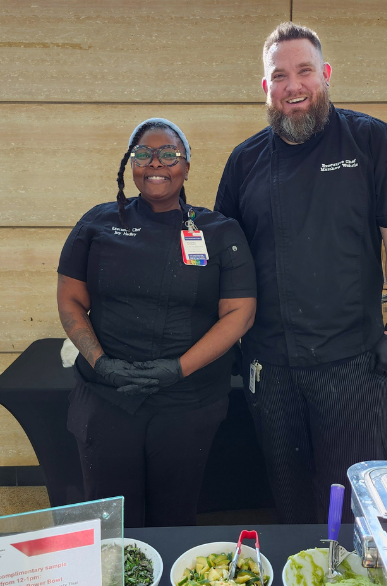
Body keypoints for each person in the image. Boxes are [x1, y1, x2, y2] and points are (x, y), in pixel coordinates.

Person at [215, 22, 387, 523]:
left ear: (325, 75)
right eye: (279, 75)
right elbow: (227, 261)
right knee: (287, 494)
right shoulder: (244, 161)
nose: (293, 85)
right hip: (270, 363)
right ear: (266, 88)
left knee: (355, 499)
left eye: (304, 71)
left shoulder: (371, 140)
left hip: (351, 359)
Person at [57, 118, 258, 528]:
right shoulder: (96, 224)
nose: (155, 163)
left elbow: (240, 313)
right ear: (130, 165)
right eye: (143, 154)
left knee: (175, 517)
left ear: (185, 166)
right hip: (107, 397)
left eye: (168, 154)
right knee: (111, 521)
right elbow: (70, 300)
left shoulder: (218, 231)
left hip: (187, 402)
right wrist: (100, 362)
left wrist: (177, 368)